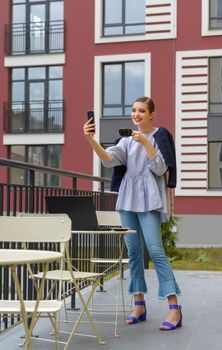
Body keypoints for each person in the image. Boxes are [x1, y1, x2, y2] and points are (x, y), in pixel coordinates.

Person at [83, 96, 182, 330]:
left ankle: (175, 308)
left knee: (156, 250)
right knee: (134, 251)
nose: (136, 114)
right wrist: (90, 139)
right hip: (127, 198)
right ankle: (139, 305)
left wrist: (146, 144)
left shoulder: (160, 136)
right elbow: (108, 160)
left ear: (151, 115)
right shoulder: (125, 140)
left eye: (141, 111)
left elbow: (160, 169)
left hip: (150, 200)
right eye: (134, 110)